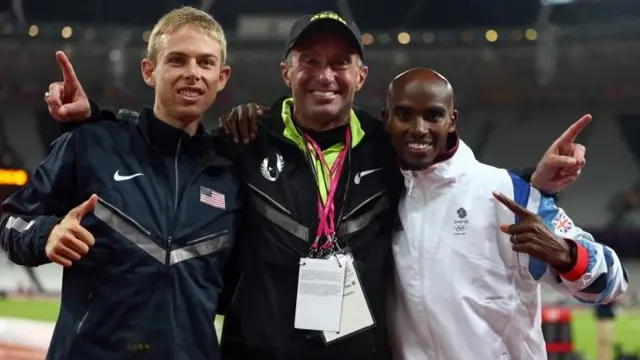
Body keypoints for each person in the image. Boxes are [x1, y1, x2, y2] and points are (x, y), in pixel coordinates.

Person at [44, 11, 587, 360]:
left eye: (339, 63)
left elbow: (451, 171)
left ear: (361, 76)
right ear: (287, 72)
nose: (324, 75)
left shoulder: (387, 146)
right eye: (310, 61)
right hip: (256, 353)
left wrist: (536, 185)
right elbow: (167, 146)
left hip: (354, 352)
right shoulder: (245, 137)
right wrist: (96, 121)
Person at [1, 7, 239, 360]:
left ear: (222, 77)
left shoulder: (232, 174)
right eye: (177, 60)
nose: (192, 73)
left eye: (205, 63)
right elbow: (10, 221)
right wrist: (47, 234)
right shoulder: (91, 145)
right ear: (149, 70)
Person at [381, 68, 628, 360]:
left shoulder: (508, 193)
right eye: (405, 115)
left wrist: (565, 254)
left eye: (433, 115)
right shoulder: (380, 195)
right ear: (386, 119)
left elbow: (614, 281)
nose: (419, 128)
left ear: (452, 121)